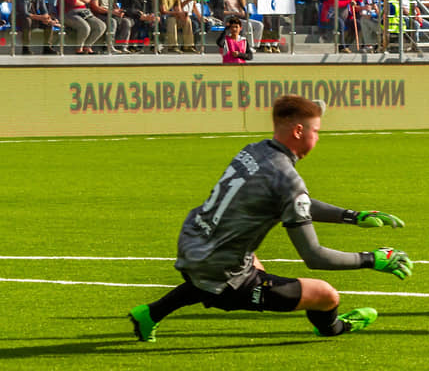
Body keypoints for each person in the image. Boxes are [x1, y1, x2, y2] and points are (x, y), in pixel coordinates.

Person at [128, 95, 413, 342]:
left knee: (238, 261)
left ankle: (150, 313)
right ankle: (334, 329)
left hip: (194, 241)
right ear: (300, 131)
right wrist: (372, 259)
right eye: (317, 131)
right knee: (326, 296)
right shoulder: (287, 180)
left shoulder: (256, 150)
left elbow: (295, 203)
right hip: (223, 272)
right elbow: (315, 257)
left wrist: (351, 216)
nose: (318, 137)